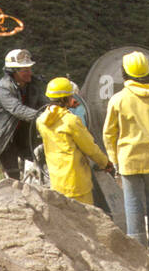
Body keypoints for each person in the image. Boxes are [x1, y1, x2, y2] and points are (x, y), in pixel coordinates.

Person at [103, 51, 149, 258]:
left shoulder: (118, 100)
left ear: (124, 73)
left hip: (129, 160)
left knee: (133, 203)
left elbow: (109, 133)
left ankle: (137, 248)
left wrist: (113, 159)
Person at [37, 77, 113, 205]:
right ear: (64, 98)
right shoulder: (71, 121)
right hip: (77, 182)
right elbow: (90, 148)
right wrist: (105, 163)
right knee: (84, 219)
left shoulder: (41, 121)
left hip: (57, 181)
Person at [0, 47, 46, 186]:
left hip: (12, 134)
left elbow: (43, 102)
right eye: (24, 70)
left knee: (14, 173)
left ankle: (13, 203)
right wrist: (42, 116)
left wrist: (55, 110)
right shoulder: (3, 87)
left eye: (29, 68)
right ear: (13, 72)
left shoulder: (32, 85)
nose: (29, 72)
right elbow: (17, 109)